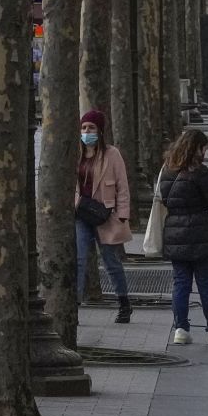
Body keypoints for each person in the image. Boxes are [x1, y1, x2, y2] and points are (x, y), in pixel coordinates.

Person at [158, 129, 208, 345]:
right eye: (204, 147)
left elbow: (164, 199)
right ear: (197, 148)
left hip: (175, 233)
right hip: (200, 233)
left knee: (181, 283)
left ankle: (180, 328)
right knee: (206, 283)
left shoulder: (166, 171)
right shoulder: (200, 172)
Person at [75, 110, 132, 321]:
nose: (86, 131)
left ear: (100, 130)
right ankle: (75, 307)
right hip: (81, 213)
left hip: (105, 215)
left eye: (91, 127)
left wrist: (123, 214)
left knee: (111, 260)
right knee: (79, 260)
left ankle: (124, 303)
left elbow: (122, 186)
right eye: (83, 127)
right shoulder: (76, 153)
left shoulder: (112, 154)